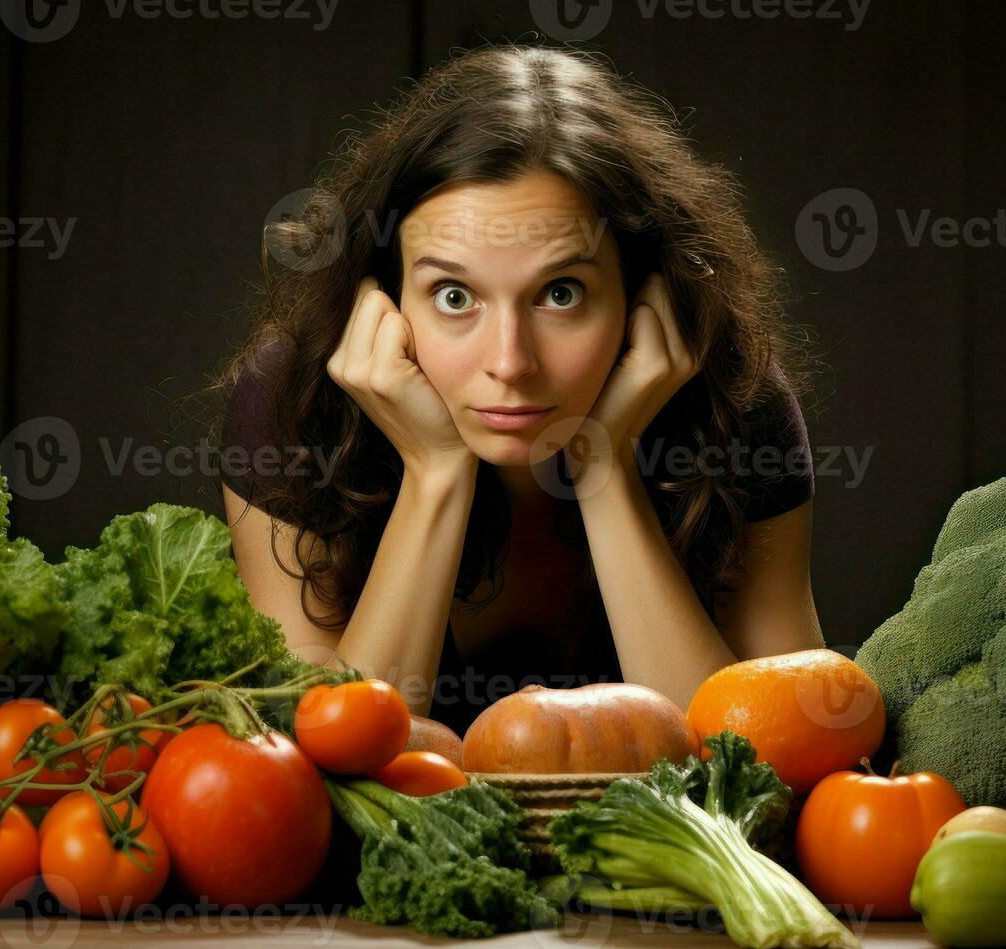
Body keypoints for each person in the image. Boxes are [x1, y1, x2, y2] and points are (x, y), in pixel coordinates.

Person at [212, 44, 822, 734]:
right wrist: (434, 475)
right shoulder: (291, 409)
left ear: (640, 295)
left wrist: (604, 467)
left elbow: (770, 764)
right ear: (381, 298)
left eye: (559, 294)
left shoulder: (733, 401)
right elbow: (321, 770)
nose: (509, 362)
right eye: (452, 295)